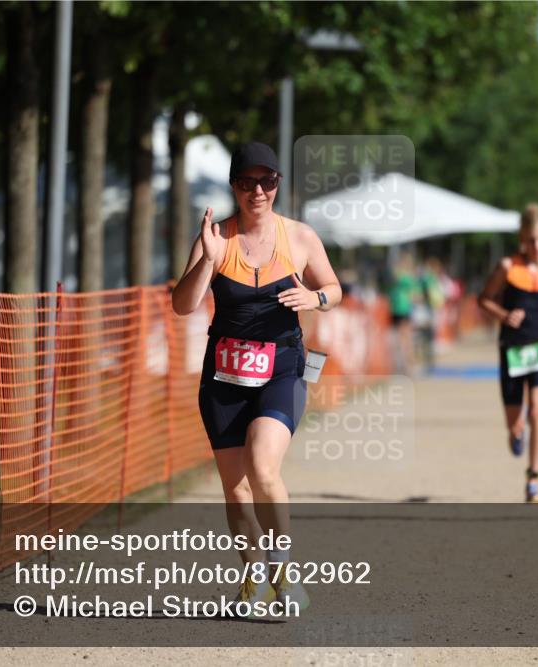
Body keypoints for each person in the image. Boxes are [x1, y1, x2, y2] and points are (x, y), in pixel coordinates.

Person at [171, 142, 342, 614]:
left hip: (283, 366)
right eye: (247, 182)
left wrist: (317, 300)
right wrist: (207, 259)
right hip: (224, 374)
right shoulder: (216, 238)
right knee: (235, 487)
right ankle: (253, 577)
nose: (257, 191)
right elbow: (183, 305)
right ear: (234, 187)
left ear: (277, 184)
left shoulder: (300, 238)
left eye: (266, 181)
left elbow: (334, 287)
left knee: (263, 466)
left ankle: (284, 571)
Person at [478, 204, 538, 503]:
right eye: (531, 239)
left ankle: (533, 479)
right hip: (512, 350)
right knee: (516, 422)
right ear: (522, 238)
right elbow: (483, 299)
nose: (536, 246)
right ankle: (515, 433)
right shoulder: (508, 267)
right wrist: (504, 315)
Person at [387, 254, 419, 374]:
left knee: (401, 338)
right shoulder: (407, 277)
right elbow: (415, 295)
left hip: (399, 309)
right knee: (405, 338)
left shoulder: (400, 276)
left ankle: (404, 365)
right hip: (402, 310)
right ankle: (407, 365)